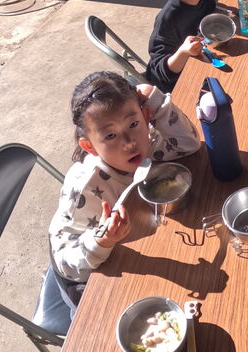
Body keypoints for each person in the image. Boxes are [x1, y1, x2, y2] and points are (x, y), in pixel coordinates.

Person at [48, 71, 201, 314]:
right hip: (83, 277)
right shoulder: (84, 189)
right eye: (110, 135)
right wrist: (101, 240)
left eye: (133, 124)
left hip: (138, 236)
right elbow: (65, 263)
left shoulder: (148, 140)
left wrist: (157, 101)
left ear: (146, 116)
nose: (129, 142)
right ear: (89, 146)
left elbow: (189, 145)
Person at [146, 0, 217, 93]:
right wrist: (183, 52)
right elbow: (159, 71)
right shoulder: (168, 19)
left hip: (199, 62)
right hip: (173, 86)